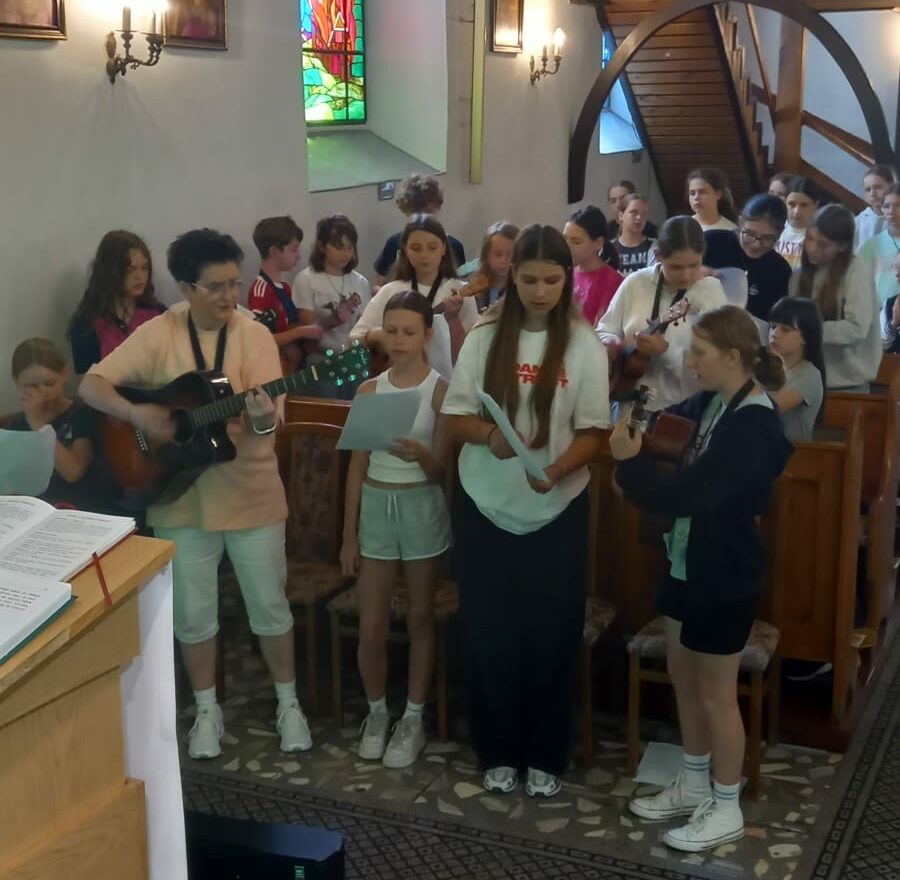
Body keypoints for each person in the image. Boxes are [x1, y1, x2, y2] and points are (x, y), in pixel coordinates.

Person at [79, 228, 312, 760]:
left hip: (250, 493)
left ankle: (288, 704)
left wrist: (261, 418)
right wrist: (137, 413)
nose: (229, 296)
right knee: (193, 614)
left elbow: (269, 422)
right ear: (186, 287)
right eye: (215, 287)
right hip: (179, 498)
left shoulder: (253, 336)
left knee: (269, 607)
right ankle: (207, 711)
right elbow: (91, 385)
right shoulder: (159, 332)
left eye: (234, 283)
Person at [611, 305, 792, 853]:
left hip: (724, 570)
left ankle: (727, 805)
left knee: (717, 694)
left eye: (700, 353)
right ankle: (693, 784)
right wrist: (632, 414)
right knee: (684, 678)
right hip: (684, 559)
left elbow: (689, 494)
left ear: (733, 357)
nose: (690, 362)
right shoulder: (714, 400)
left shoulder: (754, 425)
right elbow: (663, 416)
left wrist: (629, 466)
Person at [442, 224, 610, 798]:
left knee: (551, 634)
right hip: (485, 505)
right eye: (530, 279)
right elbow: (456, 418)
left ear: (567, 280)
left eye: (552, 281)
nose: (541, 292)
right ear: (512, 277)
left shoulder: (583, 343)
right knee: (489, 633)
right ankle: (497, 750)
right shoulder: (486, 336)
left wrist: (558, 470)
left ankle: (546, 754)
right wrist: (489, 436)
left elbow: (593, 431)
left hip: (556, 508)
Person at [340, 291, 451, 769]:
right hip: (376, 507)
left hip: (421, 505)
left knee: (420, 618)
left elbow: (443, 472)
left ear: (427, 334)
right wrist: (348, 536)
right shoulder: (370, 391)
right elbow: (356, 466)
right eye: (392, 332)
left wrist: (420, 454)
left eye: (409, 332)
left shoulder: (440, 391)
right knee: (371, 627)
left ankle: (413, 718)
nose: (399, 341)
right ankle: (378, 711)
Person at [596, 216, 728, 411]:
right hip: (626, 400)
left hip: (680, 409)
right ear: (658, 256)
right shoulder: (635, 282)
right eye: (676, 267)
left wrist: (668, 352)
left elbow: (717, 364)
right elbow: (605, 329)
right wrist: (610, 343)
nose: (686, 276)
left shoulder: (711, 293)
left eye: (694, 265)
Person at [351, 215, 476, 379]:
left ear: (444, 248)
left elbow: (470, 354)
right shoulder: (390, 291)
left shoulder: (459, 292)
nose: (424, 255)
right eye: (416, 248)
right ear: (405, 250)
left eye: (432, 247)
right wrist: (376, 335)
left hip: (447, 383)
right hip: (398, 382)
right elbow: (352, 341)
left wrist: (453, 320)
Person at [7, 338, 117, 513]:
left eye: (49, 383)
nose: (43, 392)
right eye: (32, 386)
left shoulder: (82, 413)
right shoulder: (17, 426)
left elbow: (73, 472)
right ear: (17, 382)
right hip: (41, 512)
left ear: (65, 374)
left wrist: (39, 425)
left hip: (84, 509)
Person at [790, 204, 881, 392]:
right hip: (805, 378)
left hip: (846, 383)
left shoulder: (856, 271)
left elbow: (856, 328)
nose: (812, 249)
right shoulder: (799, 275)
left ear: (842, 246)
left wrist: (807, 331)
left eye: (823, 244)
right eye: (810, 239)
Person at [69, 231, 166, 374]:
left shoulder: (158, 314)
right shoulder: (86, 325)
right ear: (111, 272)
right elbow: (87, 379)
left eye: (144, 268)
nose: (140, 276)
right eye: (130, 269)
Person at [248, 216, 323, 375]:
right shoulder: (260, 290)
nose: (299, 256)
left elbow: (291, 326)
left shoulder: (285, 287)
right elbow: (261, 340)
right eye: (294, 249)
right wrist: (300, 332)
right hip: (276, 371)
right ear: (274, 251)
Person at [293, 213, 371, 361]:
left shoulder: (361, 281)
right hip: (321, 359)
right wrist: (332, 320)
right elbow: (309, 334)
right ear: (322, 247)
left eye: (350, 247)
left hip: (355, 357)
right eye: (338, 247)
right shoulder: (305, 279)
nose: (346, 254)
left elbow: (366, 327)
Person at [703, 194, 792, 321]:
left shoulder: (780, 269)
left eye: (767, 238)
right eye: (749, 234)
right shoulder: (710, 243)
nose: (756, 245)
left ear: (780, 233)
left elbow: (774, 320)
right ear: (740, 222)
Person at [373, 174, 466, 287]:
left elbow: (459, 285)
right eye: (416, 213)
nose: (422, 219)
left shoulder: (454, 246)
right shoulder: (394, 243)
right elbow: (378, 284)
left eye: (428, 212)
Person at [767, 297, 826, 443]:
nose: (774, 334)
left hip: (792, 455)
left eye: (785, 329)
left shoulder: (809, 375)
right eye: (773, 326)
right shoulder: (769, 368)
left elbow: (766, 411)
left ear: (805, 337)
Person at [563, 206, 623, 325]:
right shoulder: (565, 272)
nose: (567, 247)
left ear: (598, 243)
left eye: (576, 242)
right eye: (564, 239)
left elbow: (602, 327)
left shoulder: (611, 281)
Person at [858, 182, 900, 305]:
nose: (891, 211)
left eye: (898, 206)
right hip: (874, 310)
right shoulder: (871, 246)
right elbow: (860, 283)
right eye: (886, 206)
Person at [469, 221, 519, 312]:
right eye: (498, 254)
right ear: (486, 256)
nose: (504, 260)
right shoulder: (474, 289)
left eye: (510, 254)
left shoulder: (521, 291)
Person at [776, 177, 820, 270]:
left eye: (804, 205)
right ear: (785, 202)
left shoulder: (820, 238)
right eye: (792, 204)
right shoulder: (773, 228)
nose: (796, 212)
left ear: (816, 205)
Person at [854, 164, 897, 251]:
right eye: (868, 189)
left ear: (892, 187)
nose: (872, 194)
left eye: (878, 187)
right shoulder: (859, 222)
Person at [613, 193, 656, 276]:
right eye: (634, 212)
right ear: (621, 216)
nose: (639, 217)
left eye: (644, 214)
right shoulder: (609, 248)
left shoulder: (654, 247)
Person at [878, 252, 900, 354]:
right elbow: (880, 346)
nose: (897, 274)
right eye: (896, 267)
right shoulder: (890, 304)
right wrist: (894, 323)